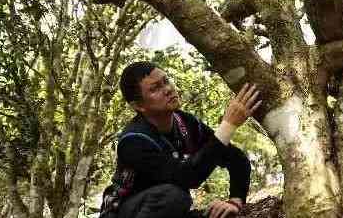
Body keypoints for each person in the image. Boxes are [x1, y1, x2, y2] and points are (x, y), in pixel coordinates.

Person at [100, 61, 262, 218]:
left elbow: (236, 160)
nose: (168, 89)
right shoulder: (133, 141)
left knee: (220, 214)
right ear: (138, 106)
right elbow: (188, 177)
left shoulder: (186, 123)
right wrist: (227, 126)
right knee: (174, 196)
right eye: (155, 88)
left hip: (167, 209)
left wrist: (235, 201)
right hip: (126, 211)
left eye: (166, 81)